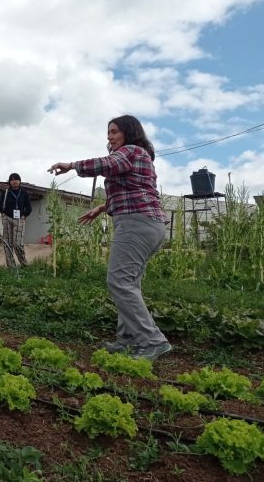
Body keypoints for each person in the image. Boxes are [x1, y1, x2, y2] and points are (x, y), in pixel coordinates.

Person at [48, 115, 171, 361]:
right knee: (129, 283)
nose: (109, 136)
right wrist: (102, 208)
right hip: (147, 224)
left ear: (129, 132)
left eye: (114, 131)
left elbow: (107, 164)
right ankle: (128, 338)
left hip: (136, 224)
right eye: (108, 132)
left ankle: (153, 341)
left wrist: (72, 165)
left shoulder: (131, 151)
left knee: (119, 282)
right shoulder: (139, 155)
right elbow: (134, 189)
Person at [0, 173, 33, 267]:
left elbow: (29, 207)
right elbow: (0, 204)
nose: (14, 181)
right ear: (9, 182)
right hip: (7, 218)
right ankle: (11, 267)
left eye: (16, 179)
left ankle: (24, 264)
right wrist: (2, 213)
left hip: (19, 219)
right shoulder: (5, 192)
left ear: (19, 181)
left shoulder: (24, 192)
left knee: (17, 244)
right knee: (7, 244)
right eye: (12, 179)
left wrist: (24, 215)